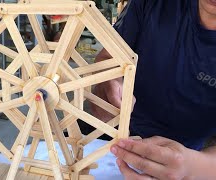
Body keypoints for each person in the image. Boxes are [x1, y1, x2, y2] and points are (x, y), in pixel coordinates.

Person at [91, 0, 216, 179]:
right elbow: (108, 58)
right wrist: (108, 84)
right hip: (114, 137)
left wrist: (191, 166)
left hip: (190, 156)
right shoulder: (152, 4)